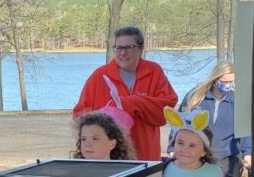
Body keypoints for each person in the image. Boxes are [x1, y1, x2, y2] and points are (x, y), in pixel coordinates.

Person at [73, 25, 177, 160]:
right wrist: (106, 114)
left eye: (129, 47)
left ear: (140, 48)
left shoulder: (154, 72)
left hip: (146, 157)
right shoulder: (100, 75)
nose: (123, 53)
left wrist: (133, 102)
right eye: (119, 48)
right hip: (109, 160)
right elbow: (79, 116)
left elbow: (165, 113)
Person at [181, 61, 251, 177]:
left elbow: (244, 130)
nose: (228, 85)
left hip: (226, 155)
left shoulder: (237, 100)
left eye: (231, 81)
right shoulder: (196, 97)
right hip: (199, 154)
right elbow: (180, 123)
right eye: (224, 81)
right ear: (215, 79)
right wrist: (172, 148)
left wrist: (247, 152)